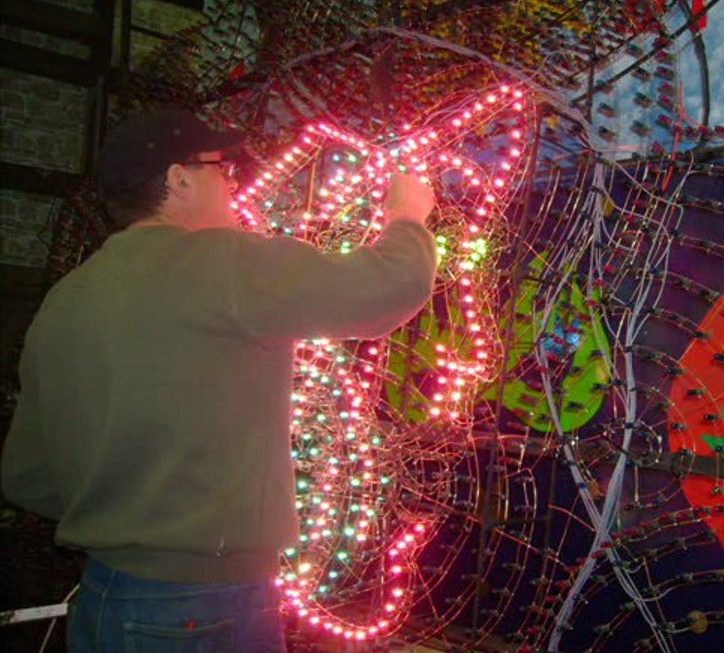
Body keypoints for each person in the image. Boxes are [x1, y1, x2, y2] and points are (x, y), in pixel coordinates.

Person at [1, 108, 438, 652]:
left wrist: (124, 511)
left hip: (104, 597)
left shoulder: (64, 300)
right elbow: (387, 288)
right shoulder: (225, 264)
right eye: (222, 168)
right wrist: (408, 217)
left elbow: (29, 477)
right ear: (177, 179)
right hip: (204, 608)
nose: (234, 181)